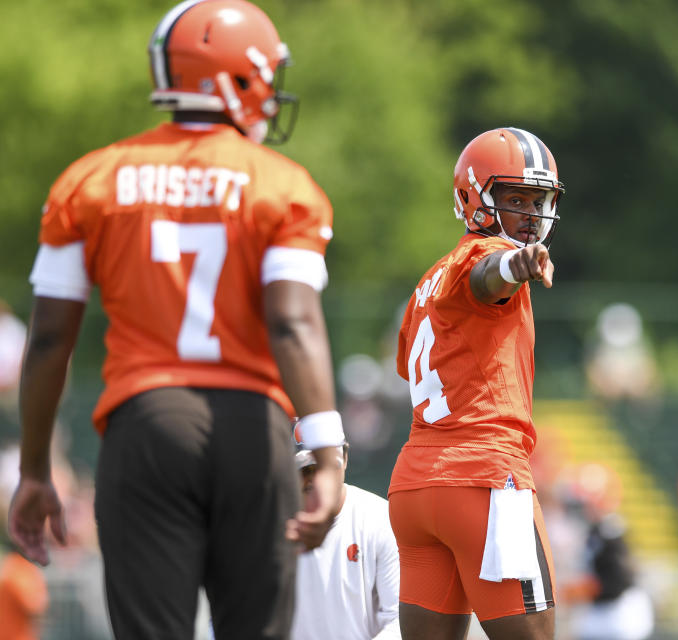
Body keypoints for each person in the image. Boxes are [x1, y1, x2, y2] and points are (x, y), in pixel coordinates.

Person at [6, 2, 346, 638]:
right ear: (236, 79)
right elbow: (293, 323)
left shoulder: (92, 180)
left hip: (146, 425)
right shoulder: (283, 185)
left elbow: (51, 337)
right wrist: (325, 449)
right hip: (253, 428)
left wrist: (34, 470)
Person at [388, 127, 563, 640]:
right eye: (515, 198)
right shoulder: (482, 256)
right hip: (484, 479)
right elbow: (489, 275)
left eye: (540, 199)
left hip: (415, 486)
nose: (532, 214)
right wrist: (516, 264)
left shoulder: (426, 283)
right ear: (475, 198)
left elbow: (412, 368)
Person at [290, 427, 401, 640]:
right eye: (305, 468)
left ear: (346, 458)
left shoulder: (381, 519)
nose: (315, 479)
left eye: (325, 467)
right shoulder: (265, 526)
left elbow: (399, 620)